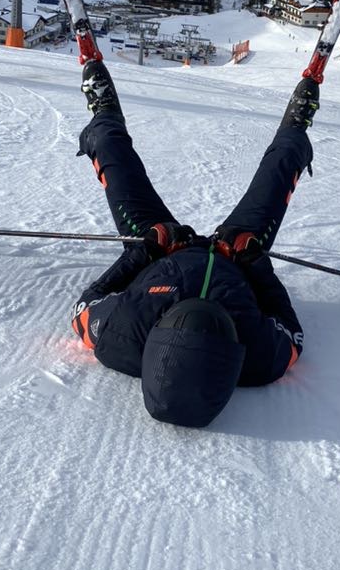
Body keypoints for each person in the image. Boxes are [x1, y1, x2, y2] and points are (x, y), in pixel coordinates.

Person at [70, 59, 320, 428]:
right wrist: (253, 262)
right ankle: (296, 127)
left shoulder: (120, 335)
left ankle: (103, 113)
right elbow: (291, 331)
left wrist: (146, 251)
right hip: (233, 257)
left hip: (163, 249)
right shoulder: (263, 358)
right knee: (279, 172)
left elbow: (86, 302)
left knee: (114, 157)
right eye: (221, 325)